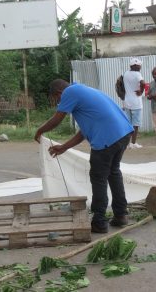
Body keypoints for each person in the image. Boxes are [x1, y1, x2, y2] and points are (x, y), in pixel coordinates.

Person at [34, 79, 134, 233]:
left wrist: (39, 131)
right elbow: (83, 132)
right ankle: (121, 215)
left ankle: (99, 221)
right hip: (123, 133)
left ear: (59, 93)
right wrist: (64, 147)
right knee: (113, 173)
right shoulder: (83, 90)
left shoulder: (69, 92)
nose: (59, 102)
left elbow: (57, 119)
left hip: (107, 137)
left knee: (98, 178)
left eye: (56, 99)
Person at [123, 58, 145, 149]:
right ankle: (133, 143)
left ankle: (127, 144)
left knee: (128, 124)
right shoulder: (137, 74)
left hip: (127, 102)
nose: (140, 67)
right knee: (135, 124)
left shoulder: (126, 73)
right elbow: (143, 83)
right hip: (136, 103)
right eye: (139, 65)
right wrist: (141, 91)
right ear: (135, 66)